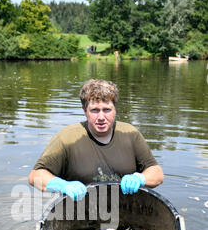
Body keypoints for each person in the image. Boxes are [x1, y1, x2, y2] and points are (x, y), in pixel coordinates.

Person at [28, 79, 164, 200]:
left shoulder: (130, 134)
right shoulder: (67, 138)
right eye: (94, 110)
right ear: (84, 110)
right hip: (78, 215)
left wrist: (140, 178)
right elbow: (35, 177)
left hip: (125, 211)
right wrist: (62, 185)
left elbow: (157, 174)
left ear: (115, 109)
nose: (101, 117)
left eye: (107, 110)